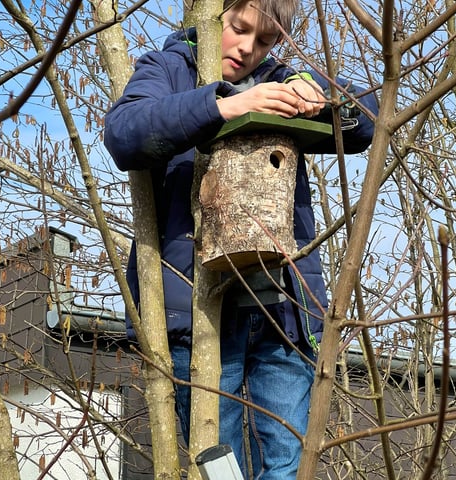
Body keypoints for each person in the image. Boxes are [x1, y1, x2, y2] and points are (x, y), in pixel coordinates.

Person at [104, 0, 378, 478]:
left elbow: (367, 121)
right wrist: (225, 104)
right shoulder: (169, 67)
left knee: (288, 463)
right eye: (239, 28)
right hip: (202, 312)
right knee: (218, 464)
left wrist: (316, 92)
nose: (248, 49)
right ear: (216, 17)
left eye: (266, 40)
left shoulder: (281, 75)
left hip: (283, 315)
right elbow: (125, 133)